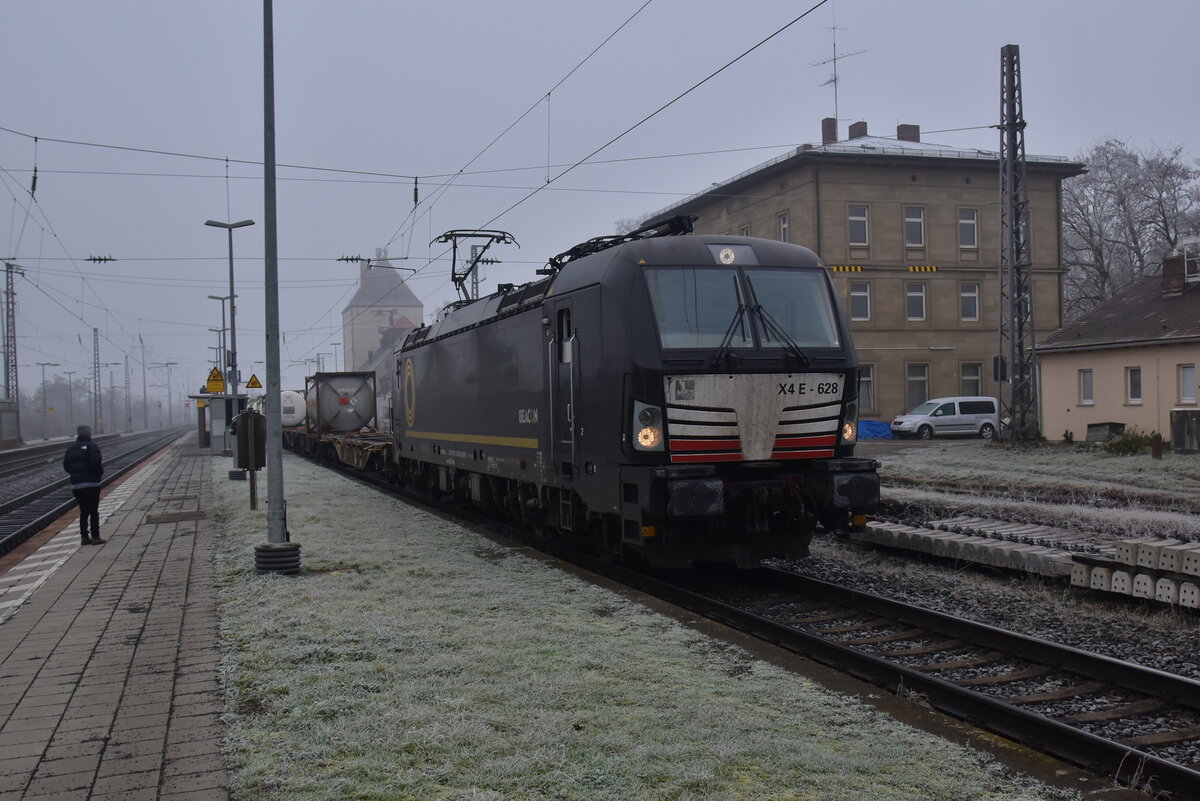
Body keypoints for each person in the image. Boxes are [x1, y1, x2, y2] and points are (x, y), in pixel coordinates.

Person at [63, 424, 105, 545]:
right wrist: (97, 475)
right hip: (91, 484)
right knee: (93, 510)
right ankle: (96, 536)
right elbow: (96, 463)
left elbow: (66, 466)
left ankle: (84, 537)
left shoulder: (71, 449)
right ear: (88, 434)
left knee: (83, 511)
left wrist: (76, 475)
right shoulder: (92, 447)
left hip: (77, 485)